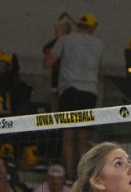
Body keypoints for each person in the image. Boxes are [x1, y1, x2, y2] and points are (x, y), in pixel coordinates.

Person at [43, 12, 103, 180]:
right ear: (92, 27)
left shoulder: (66, 39)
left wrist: (60, 37)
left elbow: (47, 63)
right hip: (90, 93)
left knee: (68, 136)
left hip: (70, 90)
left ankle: (69, 175)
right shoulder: (99, 44)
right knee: (82, 138)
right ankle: (83, 176)